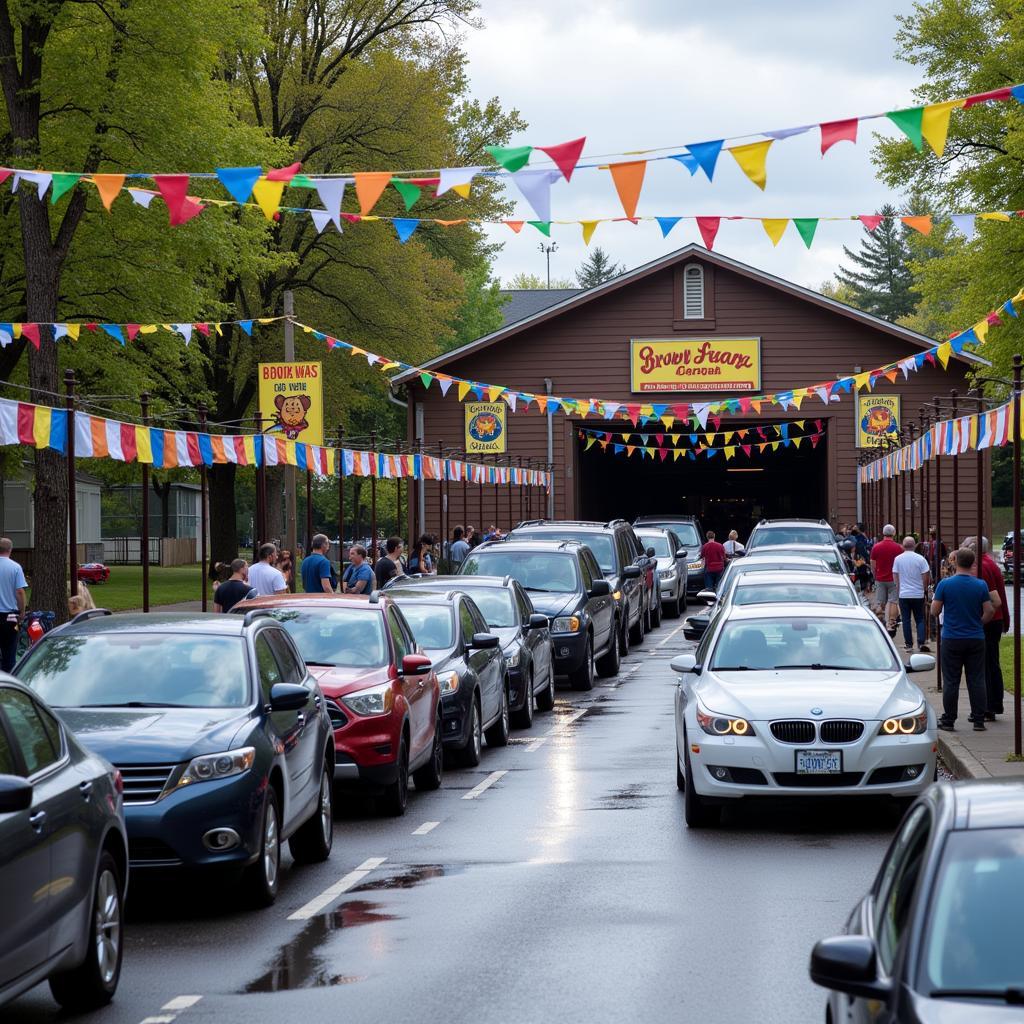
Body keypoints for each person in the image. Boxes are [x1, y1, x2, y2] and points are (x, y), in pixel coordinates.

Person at [931, 548, 994, 732]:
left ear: (955, 561)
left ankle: (949, 720)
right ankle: (978, 719)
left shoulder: (945, 584)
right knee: (977, 678)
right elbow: (989, 610)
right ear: (973, 563)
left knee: (951, 680)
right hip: (975, 637)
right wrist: (978, 623)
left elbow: (935, 610)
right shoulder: (980, 585)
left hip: (951, 637)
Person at [964, 536, 1009, 720]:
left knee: (982, 666)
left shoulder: (979, 568)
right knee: (992, 663)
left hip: (986, 620)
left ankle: (987, 707)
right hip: (995, 620)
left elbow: (987, 599)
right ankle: (995, 703)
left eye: (966, 546)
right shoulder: (990, 564)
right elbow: (999, 596)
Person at [892, 536, 931, 653]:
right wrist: (923, 589)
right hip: (918, 593)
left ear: (903, 546)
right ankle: (921, 642)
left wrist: (899, 590)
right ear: (914, 545)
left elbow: (895, 577)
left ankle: (909, 644)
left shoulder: (898, 559)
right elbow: (926, 576)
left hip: (904, 594)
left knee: (906, 620)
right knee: (920, 618)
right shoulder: (921, 559)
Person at [870, 524, 902, 634]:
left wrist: (875, 576)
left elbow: (873, 564)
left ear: (883, 533)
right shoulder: (898, 548)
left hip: (880, 578)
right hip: (894, 578)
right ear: (894, 533)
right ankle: (891, 624)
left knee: (880, 603)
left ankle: (880, 623)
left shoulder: (876, 547)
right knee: (893, 601)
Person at [0, 538, 26, 672]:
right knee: (9, 653)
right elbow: (20, 591)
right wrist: (22, 612)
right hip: (10, 617)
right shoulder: (15, 567)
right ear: (10, 550)